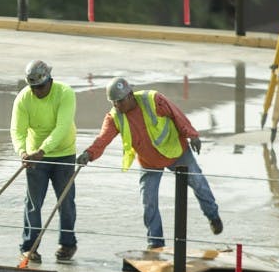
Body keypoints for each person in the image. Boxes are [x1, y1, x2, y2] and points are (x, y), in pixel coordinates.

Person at [78, 77, 223, 250]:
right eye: (114, 102)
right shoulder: (114, 117)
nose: (117, 105)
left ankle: (213, 216)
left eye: (120, 101)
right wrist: (89, 153)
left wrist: (192, 134)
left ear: (130, 95)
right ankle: (155, 243)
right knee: (148, 201)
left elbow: (177, 115)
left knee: (198, 183)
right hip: (149, 161)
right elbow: (103, 139)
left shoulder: (153, 100)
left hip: (176, 152)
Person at [9, 60, 78, 265]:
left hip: (64, 154)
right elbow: (17, 130)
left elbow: (62, 127)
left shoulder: (65, 93)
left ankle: (67, 243)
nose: (37, 91)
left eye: (40, 86)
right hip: (34, 157)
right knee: (33, 204)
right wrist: (22, 152)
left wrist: (43, 150)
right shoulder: (23, 98)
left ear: (49, 80)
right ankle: (29, 248)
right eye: (33, 87)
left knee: (65, 202)